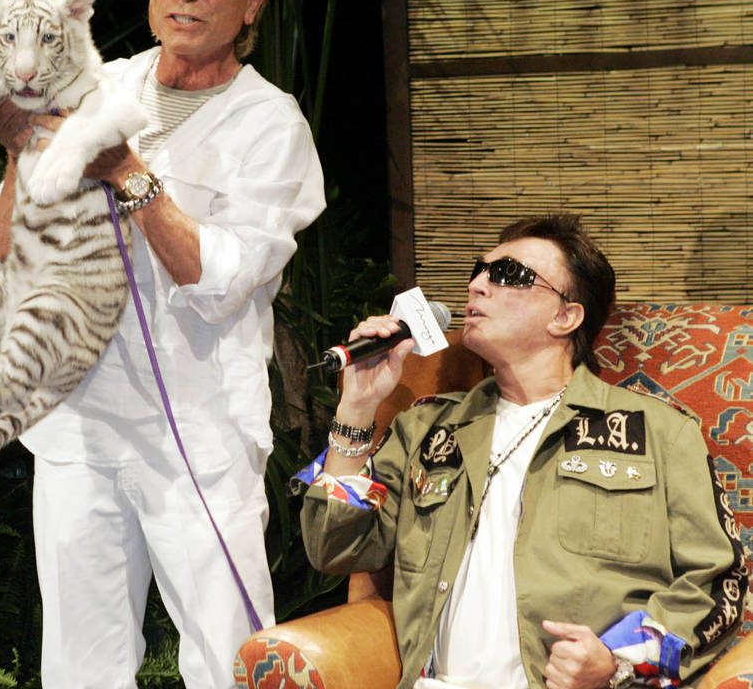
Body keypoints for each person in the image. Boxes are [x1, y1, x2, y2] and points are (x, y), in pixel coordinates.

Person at [0, 0, 325, 689]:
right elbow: (1, 253)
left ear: (254, 0)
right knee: (79, 668)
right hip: (78, 434)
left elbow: (220, 281)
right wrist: (15, 150)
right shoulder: (94, 83)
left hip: (198, 444)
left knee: (231, 661)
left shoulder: (270, 124)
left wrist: (125, 170)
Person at [295, 214, 747, 689]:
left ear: (565, 316)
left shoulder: (657, 431)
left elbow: (719, 583)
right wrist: (358, 406)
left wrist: (617, 661)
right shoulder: (427, 428)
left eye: (509, 274)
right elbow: (335, 546)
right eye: (478, 270)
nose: (478, 285)